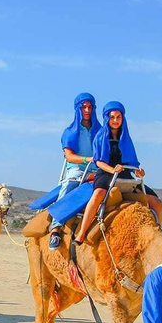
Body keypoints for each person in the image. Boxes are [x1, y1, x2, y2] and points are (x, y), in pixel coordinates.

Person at [73, 101, 162, 244]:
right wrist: (112, 169)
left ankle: (158, 232)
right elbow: (99, 161)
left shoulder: (126, 138)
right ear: (107, 118)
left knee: (156, 201)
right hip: (105, 172)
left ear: (123, 118)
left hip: (125, 174)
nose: (115, 120)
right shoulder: (100, 137)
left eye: (118, 117)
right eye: (112, 117)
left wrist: (138, 171)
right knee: (98, 195)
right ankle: (82, 233)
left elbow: (132, 161)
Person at [48, 93, 102, 250]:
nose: (87, 110)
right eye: (84, 107)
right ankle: (55, 229)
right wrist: (88, 159)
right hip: (78, 169)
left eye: (90, 107)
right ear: (78, 109)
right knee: (70, 184)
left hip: (98, 169)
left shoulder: (100, 131)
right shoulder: (70, 132)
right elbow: (69, 156)